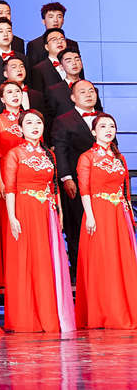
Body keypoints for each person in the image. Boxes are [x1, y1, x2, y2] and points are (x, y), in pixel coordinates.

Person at [4, 110, 75, 333]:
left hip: (47, 211)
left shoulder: (49, 154)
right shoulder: (15, 154)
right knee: (27, 259)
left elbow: (54, 186)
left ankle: (49, 312)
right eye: (29, 123)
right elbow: (10, 188)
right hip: (25, 210)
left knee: (47, 259)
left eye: (38, 122)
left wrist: (59, 212)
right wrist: (12, 216)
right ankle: (27, 316)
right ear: (20, 128)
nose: (35, 126)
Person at [75, 114, 137, 329]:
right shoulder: (87, 157)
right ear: (94, 132)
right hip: (98, 212)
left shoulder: (119, 158)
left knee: (121, 261)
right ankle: (103, 311)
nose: (108, 130)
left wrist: (129, 216)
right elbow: (84, 189)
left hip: (118, 213)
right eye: (103, 126)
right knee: (103, 261)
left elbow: (125, 190)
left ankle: (124, 308)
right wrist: (90, 216)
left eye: (112, 126)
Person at [51, 80, 100, 276]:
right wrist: (66, 178)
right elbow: (60, 151)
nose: (88, 95)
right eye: (82, 92)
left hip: (102, 183)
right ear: (72, 97)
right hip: (76, 182)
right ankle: (80, 271)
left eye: (91, 91)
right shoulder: (63, 120)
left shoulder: (103, 118)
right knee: (78, 225)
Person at [0, 81, 25, 287]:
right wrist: (0, 181)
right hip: (6, 179)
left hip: (29, 180)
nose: (15, 95)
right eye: (9, 92)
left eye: (18, 91)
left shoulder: (30, 119)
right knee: (9, 225)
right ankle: (10, 274)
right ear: (2, 99)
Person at [45, 49, 99, 126]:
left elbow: (98, 114)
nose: (74, 63)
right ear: (61, 67)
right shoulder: (53, 91)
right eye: (69, 61)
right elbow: (50, 120)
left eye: (77, 59)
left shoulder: (92, 89)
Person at [0, 57, 45, 123]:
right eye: (14, 67)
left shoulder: (37, 95)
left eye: (22, 66)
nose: (19, 70)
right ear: (5, 74)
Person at [30, 28, 80, 95]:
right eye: (54, 40)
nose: (59, 42)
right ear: (46, 47)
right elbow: (39, 95)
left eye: (62, 39)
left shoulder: (75, 63)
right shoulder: (39, 69)